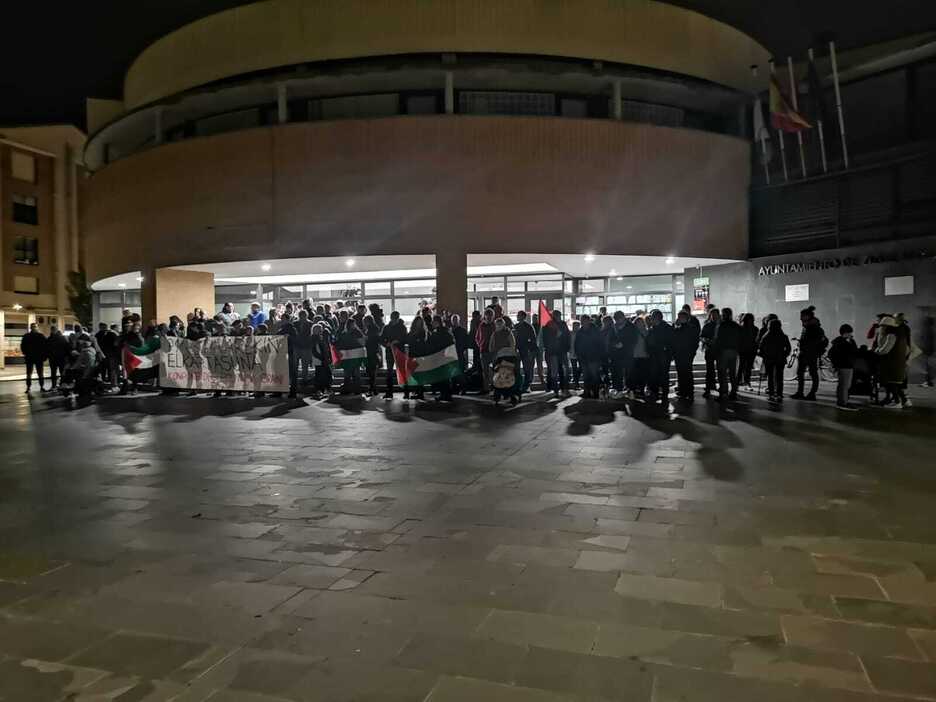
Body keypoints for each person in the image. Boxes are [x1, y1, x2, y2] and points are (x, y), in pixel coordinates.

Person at [791, 306, 827, 401]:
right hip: (808, 353)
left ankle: (808, 393)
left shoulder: (813, 328)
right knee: (808, 373)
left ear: (807, 316)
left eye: (802, 316)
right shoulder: (810, 326)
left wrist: (803, 343)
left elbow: (812, 341)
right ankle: (807, 393)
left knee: (810, 373)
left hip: (809, 353)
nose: (800, 318)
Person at [875, 315, 911, 409]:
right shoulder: (901, 335)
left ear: (887, 326)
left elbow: (885, 350)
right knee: (897, 384)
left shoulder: (891, 336)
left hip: (892, 363)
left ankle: (897, 402)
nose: (881, 328)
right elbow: (907, 350)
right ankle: (905, 401)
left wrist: (876, 351)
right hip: (899, 362)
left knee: (891, 383)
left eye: (882, 326)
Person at [757, 318, 791, 402]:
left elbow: (760, 348)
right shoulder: (783, 336)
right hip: (780, 359)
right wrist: (784, 355)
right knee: (780, 377)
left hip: (769, 359)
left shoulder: (766, 336)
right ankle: (779, 394)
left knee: (770, 377)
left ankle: (771, 394)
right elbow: (788, 348)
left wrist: (763, 355)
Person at [645, 309, 674, 406]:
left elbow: (671, 342)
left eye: (652, 317)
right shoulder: (653, 329)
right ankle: (657, 393)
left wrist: (668, 353)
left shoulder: (665, 328)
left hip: (662, 354)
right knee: (655, 374)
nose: (651, 319)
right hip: (655, 355)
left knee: (663, 374)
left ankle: (662, 394)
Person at [541, 310, 571, 398]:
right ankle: (556, 389)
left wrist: (566, 347)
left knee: (562, 370)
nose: (558, 317)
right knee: (555, 371)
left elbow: (567, 336)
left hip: (560, 351)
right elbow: (546, 339)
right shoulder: (548, 325)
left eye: (559, 315)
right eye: (557, 315)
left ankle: (561, 388)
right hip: (553, 351)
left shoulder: (562, 324)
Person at [829, 323, 859, 410]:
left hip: (847, 365)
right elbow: (835, 354)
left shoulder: (844, 341)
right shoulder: (841, 342)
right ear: (845, 333)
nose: (851, 334)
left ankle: (842, 400)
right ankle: (843, 402)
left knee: (845, 385)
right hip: (844, 365)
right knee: (844, 385)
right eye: (849, 332)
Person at [713, 307, 741, 400]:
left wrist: (716, 351)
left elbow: (718, 339)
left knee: (722, 373)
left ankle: (723, 393)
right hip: (734, 351)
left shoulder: (721, 325)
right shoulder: (736, 325)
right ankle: (733, 392)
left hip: (723, 351)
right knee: (733, 373)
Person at [608, 311, 637, 399]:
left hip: (627, 354)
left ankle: (630, 390)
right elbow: (610, 339)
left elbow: (633, 340)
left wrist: (623, 344)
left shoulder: (631, 327)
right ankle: (619, 390)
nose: (617, 321)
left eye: (619, 319)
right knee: (616, 373)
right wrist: (614, 344)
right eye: (616, 319)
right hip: (616, 354)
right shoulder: (614, 327)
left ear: (623, 318)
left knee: (629, 373)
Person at [574, 315, 604, 399]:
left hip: (593, 357)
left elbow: (600, 344)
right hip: (583, 357)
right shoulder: (580, 332)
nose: (584, 323)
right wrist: (578, 355)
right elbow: (576, 344)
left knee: (594, 375)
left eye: (585, 321)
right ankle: (587, 392)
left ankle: (595, 392)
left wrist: (599, 356)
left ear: (589, 321)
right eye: (583, 321)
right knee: (586, 375)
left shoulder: (595, 330)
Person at [672, 310, 700, 401]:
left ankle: (683, 391)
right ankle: (688, 392)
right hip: (687, 354)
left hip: (681, 354)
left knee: (682, 373)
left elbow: (674, 340)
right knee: (687, 373)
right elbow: (695, 342)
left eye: (680, 317)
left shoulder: (679, 329)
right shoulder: (692, 328)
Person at [428, 315, 456, 401]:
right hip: (446, 356)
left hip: (440, 356)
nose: (432, 323)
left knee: (442, 377)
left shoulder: (438, 332)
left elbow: (434, 344)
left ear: (437, 322)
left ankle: (444, 394)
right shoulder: (446, 331)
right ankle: (446, 394)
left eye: (433, 321)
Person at [380, 311, 407, 399]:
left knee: (401, 371)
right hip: (391, 351)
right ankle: (390, 392)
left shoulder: (400, 327)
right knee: (390, 372)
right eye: (393, 319)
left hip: (398, 351)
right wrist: (386, 344)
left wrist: (397, 341)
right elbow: (381, 339)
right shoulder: (388, 327)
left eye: (395, 319)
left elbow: (405, 338)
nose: (394, 320)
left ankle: (405, 392)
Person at [513, 311, 537, 393]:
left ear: (523, 316)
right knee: (517, 369)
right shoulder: (515, 326)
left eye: (518, 315)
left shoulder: (528, 327)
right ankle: (518, 385)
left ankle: (526, 386)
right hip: (517, 350)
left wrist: (530, 349)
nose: (517, 316)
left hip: (525, 350)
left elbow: (533, 339)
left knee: (527, 369)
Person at [405, 316, 428, 400]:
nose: (418, 324)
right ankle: (418, 391)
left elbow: (422, 343)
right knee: (415, 374)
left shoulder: (423, 332)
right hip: (413, 355)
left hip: (420, 355)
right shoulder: (412, 332)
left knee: (419, 374)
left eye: (420, 323)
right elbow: (407, 340)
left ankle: (420, 392)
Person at [20, 323, 47, 393]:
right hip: (38, 358)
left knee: (29, 373)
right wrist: (44, 356)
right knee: (39, 373)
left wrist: (25, 353)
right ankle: (41, 387)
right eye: (34, 327)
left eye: (34, 327)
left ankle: (28, 388)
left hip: (30, 357)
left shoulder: (26, 336)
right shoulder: (41, 336)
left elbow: (22, 346)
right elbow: (45, 347)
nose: (34, 328)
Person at [700, 308, 720, 399]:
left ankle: (719, 387)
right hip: (710, 349)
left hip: (719, 350)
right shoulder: (707, 325)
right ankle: (709, 388)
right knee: (709, 370)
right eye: (712, 315)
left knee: (720, 370)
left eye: (715, 315)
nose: (714, 316)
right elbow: (702, 336)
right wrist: (707, 341)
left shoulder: (721, 325)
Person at [475, 309, 496, 393]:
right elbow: (477, 337)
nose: (489, 317)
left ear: (493, 316)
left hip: (493, 351)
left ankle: (495, 387)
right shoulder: (481, 325)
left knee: (495, 370)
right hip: (483, 350)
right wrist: (480, 345)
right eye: (487, 315)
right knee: (485, 371)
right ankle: (486, 388)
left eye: (490, 315)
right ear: (485, 316)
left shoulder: (495, 325)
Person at [736, 313, 758, 390]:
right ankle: (740, 383)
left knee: (746, 368)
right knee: (741, 367)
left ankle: (745, 382)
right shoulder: (741, 328)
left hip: (749, 350)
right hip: (744, 350)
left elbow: (756, 341)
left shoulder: (753, 329)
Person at [629, 316, 650, 397]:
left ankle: (640, 389)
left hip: (643, 356)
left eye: (641, 322)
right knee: (636, 374)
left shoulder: (646, 332)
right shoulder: (634, 332)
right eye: (638, 323)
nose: (639, 324)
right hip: (636, 356)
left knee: (642, 374)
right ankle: (637, 389)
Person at [293, 310, 315, 388]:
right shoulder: (295, 323)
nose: (302, 317)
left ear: (306, 315)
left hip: (306, 347)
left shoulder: (310, 324)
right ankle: (294, 380)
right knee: (294, 365)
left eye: (304, 315)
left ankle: (304, 380)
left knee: (305, 365)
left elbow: (312, 336)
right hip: (297, 346)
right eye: (301, 315)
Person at [364, 315, 382, 396]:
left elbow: (372, 340)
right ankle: (373, 389)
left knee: (371, 371)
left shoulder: (371, 330)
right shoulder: (374, 329)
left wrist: (366, 339)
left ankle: (372, 389)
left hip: (371, 352)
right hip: (373, 352)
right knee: (372, 372)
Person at [921, 313, 935, 388]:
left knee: (927, 366)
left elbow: (927, 341)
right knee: (928, 366)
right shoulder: (930, 329)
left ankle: (928, 382)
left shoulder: (928, 329)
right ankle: (928, 381)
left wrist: (924, 350)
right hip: (929, 350)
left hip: (928, 350)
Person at [569, 320, 581, 389]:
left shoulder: (581, 334)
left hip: (580, 354)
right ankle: (576, 383)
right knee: (574, 368)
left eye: (576, 326)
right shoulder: (570, 333)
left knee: (581, 367)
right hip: (572, 353)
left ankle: (576, 377)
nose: (575, 327)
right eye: (574, 326)